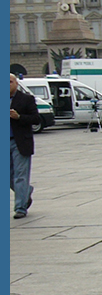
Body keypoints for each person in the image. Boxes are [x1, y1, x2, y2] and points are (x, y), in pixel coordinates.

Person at [10, 74, 40, 219]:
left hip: (19, 142)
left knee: (20, 175)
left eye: (9, 82)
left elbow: (36, 119)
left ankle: (20, 208)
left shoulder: (26, 99)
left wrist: (19, 117)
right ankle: (26, 191)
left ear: (16, 83)